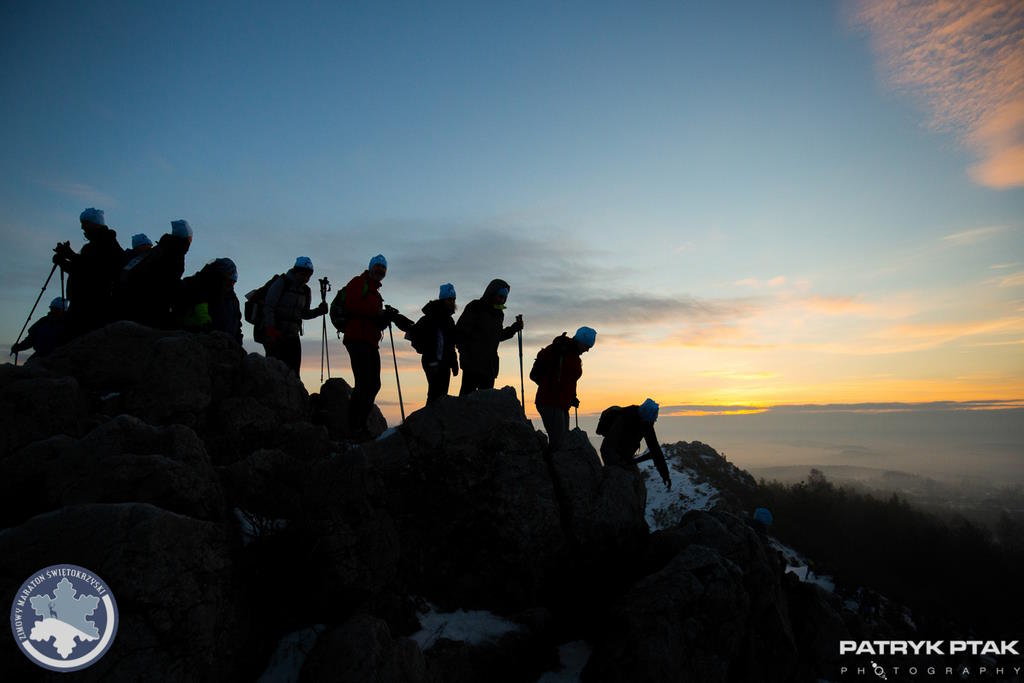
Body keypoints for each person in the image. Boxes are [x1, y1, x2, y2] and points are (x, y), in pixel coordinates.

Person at [338, 254, 413, 437]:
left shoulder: (376, 294)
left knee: (374, 384)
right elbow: (353, 305)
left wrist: (385, 318)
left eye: (383, 270)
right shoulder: (358, 283)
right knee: (365, 383)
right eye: (377, 268)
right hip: (356, 339)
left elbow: (374, 320)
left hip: (370, 341)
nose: (380, 271)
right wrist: (380, 313)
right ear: (371, 268)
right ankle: (354, 427)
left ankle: (360, 425)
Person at [52, 208, 124, 335]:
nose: (82, 228)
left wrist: (69, 256)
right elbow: (82, 271)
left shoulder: (106, 244)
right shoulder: (94, 245)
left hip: (93, 304)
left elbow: (92, 270)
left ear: (95, 224)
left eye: (85, 224)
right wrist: (64, 262)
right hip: (83, 302)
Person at [118, 219, 193, 328]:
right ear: (188, 237)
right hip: (150, 308)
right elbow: (168, 282)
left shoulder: (161, 249)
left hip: (138, 304)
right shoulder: (174, 252)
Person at [454, 279, 524, 396]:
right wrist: (464, 356)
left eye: (504, 297)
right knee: (466, 400)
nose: (502, 299)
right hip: (472, 363)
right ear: (492, 293)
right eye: (500, 296)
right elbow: (460, 333)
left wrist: (514, 328)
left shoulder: (499, 314)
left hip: (489, 367)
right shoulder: (475, 307)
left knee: (486, 402)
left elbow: (497, 336)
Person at [532, 326, 596, 451]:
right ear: (581, 341)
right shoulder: (560, 350)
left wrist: (572, 397)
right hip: (549, 401)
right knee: (559, 442)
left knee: (562, 440)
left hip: (561, 403)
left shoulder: (574, 357)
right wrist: (551, 388)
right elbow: (551, 375)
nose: (588, 350)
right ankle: (550, 467)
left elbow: (569, 380)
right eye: (587, 346)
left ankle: (553, 466)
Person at [262, 256, 327, 375]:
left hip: (293, 336)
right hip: (276, 334)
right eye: (303, 274)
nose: (305, 278)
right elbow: (269, 307)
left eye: (308, 276)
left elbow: (303, 314)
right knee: (274, 372)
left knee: (294, 373)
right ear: (296, 271)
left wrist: (318, 311)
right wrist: (270, 330)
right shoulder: (282, 283)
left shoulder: (306, 291)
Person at [596, 398, 671, 490]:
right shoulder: (624, 418)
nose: (652, 423)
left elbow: (655, 450)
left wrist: (665, 475)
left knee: (635, 483)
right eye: (651, 420)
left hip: (624, 458)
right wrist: (618, 463)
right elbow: (607, 447)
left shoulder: (646, 424)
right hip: (613, 457)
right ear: (646, 417)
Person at [408, 283, 459, 405]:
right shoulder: (430, 317)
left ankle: (434, 422)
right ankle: (427, 422)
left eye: (453, 299)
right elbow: (414, 334)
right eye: (449, 299)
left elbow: (450, 344)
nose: (452, 302)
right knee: (435, 394)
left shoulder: (449, 320)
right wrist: (427, 353)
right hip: (432, 362)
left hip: (445, 363)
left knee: (441, 395)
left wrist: (454, 362)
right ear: (443, 299)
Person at [176, 258, 242, 344]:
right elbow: (200, 305)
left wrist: (238, 340)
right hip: (197, 337)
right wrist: (207, 326)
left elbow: (236, 321)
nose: (230, 285)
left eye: (232, 282)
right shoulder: (202, 286)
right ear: (220, 276)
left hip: (224, 343)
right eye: (228, 281)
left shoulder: (233, 299)